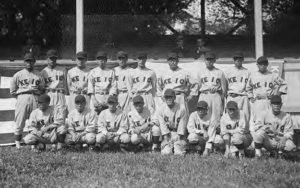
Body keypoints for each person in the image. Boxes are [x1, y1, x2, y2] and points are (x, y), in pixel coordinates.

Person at [10, 52, 45, 149]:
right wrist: (25, 90)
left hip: (35, 97)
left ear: (34, 62)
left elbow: (42, 89)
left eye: (31, 61)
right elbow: (12, 92)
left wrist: (37, 91)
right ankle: (17, 144)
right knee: (20, 121)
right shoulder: (18, 75)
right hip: (23, 97)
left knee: (34, 121)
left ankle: (33, 145)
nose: (29, 63)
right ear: (24, 62)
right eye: (27, 61)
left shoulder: (39, 74)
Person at [246, 56, 287, 124]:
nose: (262, 66)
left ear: (267, 65)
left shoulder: (273, 75)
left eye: (264, 64)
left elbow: (283, 84)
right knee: (258, 122)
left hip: (269, 100)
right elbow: (248, 88)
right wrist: (251, 97)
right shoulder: (253, 76)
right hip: (258, 101)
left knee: (270, 121)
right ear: (257, 65)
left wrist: (277, 95)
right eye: (260, 64)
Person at [195, 52, 227, 123]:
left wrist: (220, 98)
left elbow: (224, 89)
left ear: (214, 61)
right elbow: (198, 87)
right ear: (204, 61)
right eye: (207, 59)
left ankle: (216, 131)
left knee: (216, 116)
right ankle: (204, 131)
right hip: (204, 95)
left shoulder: (220, 72)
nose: (209, 61)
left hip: (215, 95)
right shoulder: (200, 72)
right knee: (204, 115)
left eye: (211, 60)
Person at [155, 89, 188, 155]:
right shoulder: (161, 109)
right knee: (166, 153)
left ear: (174, 97)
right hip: (168, 134)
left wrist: (178, 138)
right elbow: (162, 125)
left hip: (178, 133)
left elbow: (182, 126)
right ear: (164, 98)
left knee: (179, 153)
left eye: (171, 97)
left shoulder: (181, 108)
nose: (169, 99)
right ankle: (169, 147)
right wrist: (166, 139)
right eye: (167, 97)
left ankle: (178, 147)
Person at [225, 52, 251, 121]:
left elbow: (249, 87)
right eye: (236, 59)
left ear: (243, 60)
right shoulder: (228, 71)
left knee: (245, 117)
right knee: (229, 117)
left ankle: (245, 131)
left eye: (240, 59)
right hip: (231, 96)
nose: (238, 60)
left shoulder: (247, 72)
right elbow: (225, 85)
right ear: (234, 60)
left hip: (243, 97)